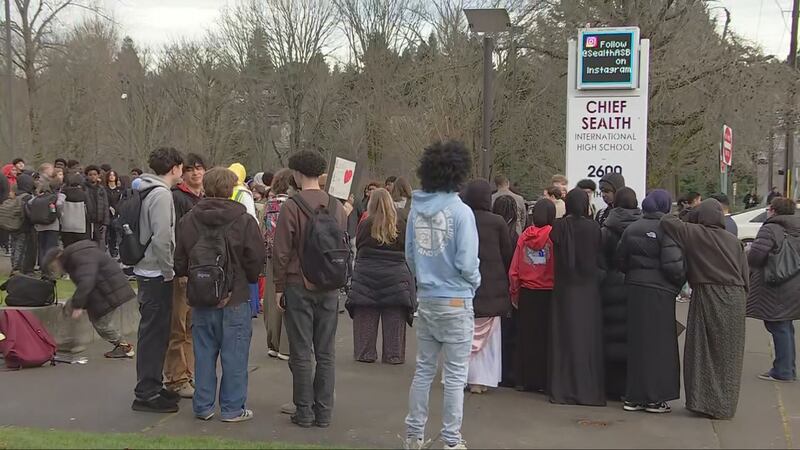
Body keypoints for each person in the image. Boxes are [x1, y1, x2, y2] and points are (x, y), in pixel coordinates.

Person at [403, 140, 479, 450]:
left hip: (428, 299)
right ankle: (450, 439)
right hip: (457, 299)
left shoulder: (415, 211)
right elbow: (466, 261)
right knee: (455, 376)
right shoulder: (462, 212)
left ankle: (413, 435)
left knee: (423, 370)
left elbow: (409, 254)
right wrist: (474, 282)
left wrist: (425, 278)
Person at [173, 167, 264, 423]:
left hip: (201, 294)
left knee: (203, 353)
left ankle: (203, 406)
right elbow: (256, 259)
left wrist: (187, 275)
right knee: (234, 355)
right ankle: (232, 408)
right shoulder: (244, 220)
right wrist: (248, 279)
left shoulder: (189, 219)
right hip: (235, 295)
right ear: (232, 188)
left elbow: (179, 257)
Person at [273, 150, 348, 428]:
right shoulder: (336, 206)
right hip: (329, 284)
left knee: (301, 351)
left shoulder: (291, 206)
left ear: (296, 173)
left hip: (297, 283)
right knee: (326, 352)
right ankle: (324, 412)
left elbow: (281, 251)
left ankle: (303, 411)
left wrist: (279, 287)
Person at [661, 199, 748, 419]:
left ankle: (702, 401)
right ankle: (724, 405)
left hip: (708, 293)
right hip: (735, 296)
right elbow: (745, 274)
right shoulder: (732, 240)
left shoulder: (694, 233)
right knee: (729, 354)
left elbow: (667, 220)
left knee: (702, 349)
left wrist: (689, 213)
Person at [616, 189, 685, 413]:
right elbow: (674, 266)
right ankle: (655, 398)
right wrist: (678, 283)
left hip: (635, 288)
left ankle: (633, 397)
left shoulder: (631, 228)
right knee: (660, 345)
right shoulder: (668, 230)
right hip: (660, 292)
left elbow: (621, 259)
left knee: (637, 343)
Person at [132, 147, 184, 414]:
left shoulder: (145, 188)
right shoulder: (162, 194)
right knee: (154, 333)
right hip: (156, 272)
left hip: (145, 269)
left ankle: (151, 384)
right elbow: (163, 237)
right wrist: (168, 271)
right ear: (175, 168)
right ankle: (146, 392)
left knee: (154, 332)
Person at [549, 189, 605, 407]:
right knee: (587, 339)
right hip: (588, 289)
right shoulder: (594, 228)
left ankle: (563, 388)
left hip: (564, 287)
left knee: (563, 338)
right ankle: (587, 389)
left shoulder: (559, 227)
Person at [346, 188, 415, 364]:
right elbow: (407, 249)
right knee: (394, 317)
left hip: (366, 276)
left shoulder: (365, 223)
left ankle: (366, 353)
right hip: (396, 276)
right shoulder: (401, 223)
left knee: (365, 316)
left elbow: (359, 246)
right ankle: (394, 354)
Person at [43, 242, 137, 358]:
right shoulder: (74, 257)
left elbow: (87, 281)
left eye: (54, 267)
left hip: (110, 290)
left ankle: (124, 347)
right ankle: (68, 341)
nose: (55, 271)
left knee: (101, 324)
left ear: (58, 258)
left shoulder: (79, 257)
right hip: (103, 289)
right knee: (69, 306)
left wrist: (78, 305)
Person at [461, 180, 512, 394]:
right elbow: (507, 253)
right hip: (492, 286)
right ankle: (480, 380)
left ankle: (460, 377)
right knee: (488, 338)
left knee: (462, 334)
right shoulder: (498, 222)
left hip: (465, 285)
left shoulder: (461, 219)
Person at [164, 153, 205, 399]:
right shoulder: (177, 198)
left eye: (199, 168)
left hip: (202, 271)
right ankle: (176, 377)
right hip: (182, 270)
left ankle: (189, 373)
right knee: (177, 327)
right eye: (190, 169)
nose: (195, 173)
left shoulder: (205, 197)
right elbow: (176, 237)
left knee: (192, 327)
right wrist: (180, 269)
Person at [747, 197, 800, 382]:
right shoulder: (797, 227)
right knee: (785, 326)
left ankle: (783, 371)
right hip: (794, 284)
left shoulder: (771, 228)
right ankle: (788, 368)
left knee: (778, 326)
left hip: (775, 284)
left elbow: (755, 257)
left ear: (773, 210)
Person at [509, 199, 556, 393]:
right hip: (547, 292)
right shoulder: (553, 236)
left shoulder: (524, 237)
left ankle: (522, 379)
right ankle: (543, 381)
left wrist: (514, 292)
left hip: (527, 292)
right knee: (545, 339)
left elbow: (514, 269)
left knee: (525, 337)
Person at [598, 187, 641, 400]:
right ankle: (629, 384)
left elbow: (601, 258)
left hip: (611, 283)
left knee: (610, 334)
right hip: (636, 284)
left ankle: (611, 385)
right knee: (632, 336)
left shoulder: (607, 227)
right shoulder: (642, 226)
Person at [263, 169, 293, 361]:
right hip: (288, 257)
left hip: (270, 257)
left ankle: (272, 343)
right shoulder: (292, 206)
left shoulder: (269, 205)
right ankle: (285, 346)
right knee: (287, 301)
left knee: (271, 301)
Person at [491, 194, 520, 387]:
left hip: (492, 285)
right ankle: (508, 372)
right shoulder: (515, 236)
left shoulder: (488, 231)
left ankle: (493, 371)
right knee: (509, 334)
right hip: (508, 287)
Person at [33, 178, 65, 278]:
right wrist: (58, 215)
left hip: (40, 226)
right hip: (52, 225)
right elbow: (59, 205)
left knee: (42, 248)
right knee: (51, 249)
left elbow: (31, 203)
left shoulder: (41, 196)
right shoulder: (58, 196)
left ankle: (42, 269)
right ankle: (48, 270)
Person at [10, 175, 36, 275]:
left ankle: (14, 265)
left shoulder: (14, 194)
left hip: (13, 224)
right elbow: (30, 213)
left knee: (14, 245)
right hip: (24, 226)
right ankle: (17, 268)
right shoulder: (28, 197)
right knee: (21, 247)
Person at [84, 165, 111, 252]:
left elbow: (106, 206)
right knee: (87, 245)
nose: (93, 176)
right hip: (87, 222)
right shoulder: (84, 188)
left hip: (99, 222)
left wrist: (105, 223)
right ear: (87, 176)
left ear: (98, 175)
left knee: (100, 245)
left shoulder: (101, 189)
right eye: (90, 174)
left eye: (95, 174)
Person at [60, 173, 90, 247]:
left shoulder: (64, 192)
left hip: (66, 226)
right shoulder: (84, 194)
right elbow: (89, 210)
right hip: (81, 226)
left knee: (67, 247)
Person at [105, 170, 123, 258]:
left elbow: (121, 201)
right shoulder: (104, 189)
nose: (112, 177)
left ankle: (114, 249)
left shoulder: (119, 190)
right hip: (106, 213)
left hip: (116, 214)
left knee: (114, 233)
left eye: (113, 175)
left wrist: (117, 209)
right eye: (110, 175)